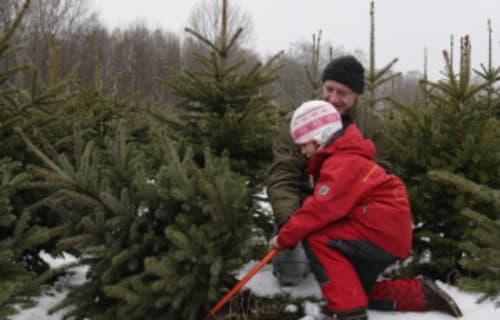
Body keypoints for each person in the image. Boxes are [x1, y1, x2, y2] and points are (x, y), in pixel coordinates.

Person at [269, 100, 463, 319]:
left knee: (316, 238)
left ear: (319, 139)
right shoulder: (344, 158)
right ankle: (421, 294)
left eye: (304, 145)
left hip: (377, 232)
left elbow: (319, 211)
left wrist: (284, 238)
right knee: (353, 288)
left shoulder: (341, 163)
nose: (302, 152)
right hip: (385, 233)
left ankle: (349, 313)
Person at [267, 55, 391, 287]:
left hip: (348, 214)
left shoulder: (373, 127)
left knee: (353, 278)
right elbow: (282, 177)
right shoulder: (298, 122)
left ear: (358, 95)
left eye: (342, 93)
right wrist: (291, 223)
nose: (333, 98)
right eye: (329, 89)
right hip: (303, 210)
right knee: (291, 273)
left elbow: (381, 178)